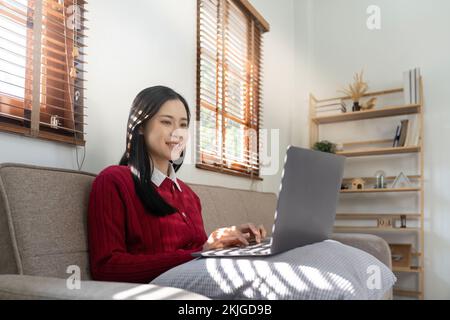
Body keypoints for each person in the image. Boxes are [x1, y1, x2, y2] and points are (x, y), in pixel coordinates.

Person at [88, 86, 266, 283]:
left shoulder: (189, 195)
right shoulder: (113, 181)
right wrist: (201, 252)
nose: (177, 133)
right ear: (140, 126)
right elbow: (105, 267)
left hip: (203, 278)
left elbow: (200, 251)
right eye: (166, 122)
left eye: (183, 125)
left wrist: (230, 241)